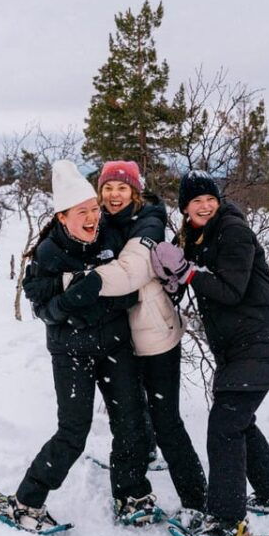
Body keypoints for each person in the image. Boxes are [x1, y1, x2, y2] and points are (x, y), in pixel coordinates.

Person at [8, 160, 156, 532]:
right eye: (82, 212)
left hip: (115, 345)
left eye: (94, 210)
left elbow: (128, 293)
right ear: (62, 217)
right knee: (73, 432)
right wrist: (73, 305)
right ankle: (28, 499)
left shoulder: (111, 239)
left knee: (131, 422)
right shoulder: (47, 254)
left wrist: (88, 294)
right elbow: (43, 308)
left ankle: (131, 493)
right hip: (71, 351)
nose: (92, 218)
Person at [150, 171, 269, 536]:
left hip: (258, 339)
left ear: (218, 200)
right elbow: (191, 278)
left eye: (209, 199)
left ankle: (228, 523)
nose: (204, 205)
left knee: (224, 426)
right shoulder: (199, 236)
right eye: (195, 201)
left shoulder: (232, 230)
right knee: (237, 419)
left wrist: (186, 272)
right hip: (239, 345)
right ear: (185, 207)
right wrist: (174, 278)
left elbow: (230, 290)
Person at [78, 160, 207, 514]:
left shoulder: (149, 220)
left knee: (166, 421)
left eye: (122, 188)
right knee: (129, 418)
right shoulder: (100, 223)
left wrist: (70, 286)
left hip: (155, 336)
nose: (114, 195)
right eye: (107, 188)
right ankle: (131, 492)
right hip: (118, 337)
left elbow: (129, 274)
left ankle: (198, 500)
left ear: (135, 191)